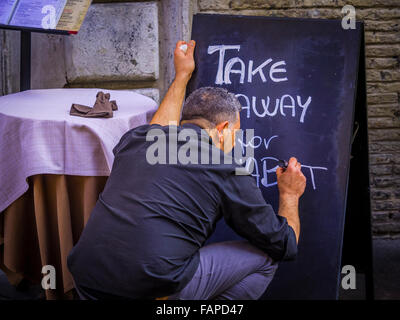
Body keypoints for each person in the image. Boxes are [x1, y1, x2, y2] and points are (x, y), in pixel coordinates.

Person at [67, 40, 306, 300]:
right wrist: (290, 195)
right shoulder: (226, 167)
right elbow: (284, 245)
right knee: (266, 260)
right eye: (236, 135)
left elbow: (160, 128)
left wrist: (182, 75)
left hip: (87, 278)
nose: (237, 144)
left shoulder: (136, 138)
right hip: (148, 287)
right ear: (224, 128)